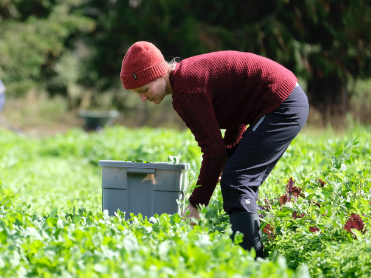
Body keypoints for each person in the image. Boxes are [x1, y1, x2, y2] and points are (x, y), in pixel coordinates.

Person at [120, 41, 309, 258]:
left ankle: (253, 262)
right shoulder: (187, 77)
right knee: (236, 176)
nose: (143, 98)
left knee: (238, 180)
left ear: (160, 72)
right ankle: (251, 255)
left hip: (282, 103)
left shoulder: (186, 90)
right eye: (138, 94)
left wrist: (195, 204)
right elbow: (236, 112)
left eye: (144, 89)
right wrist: (230, 156)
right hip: (285, 99)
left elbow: (213, 152)